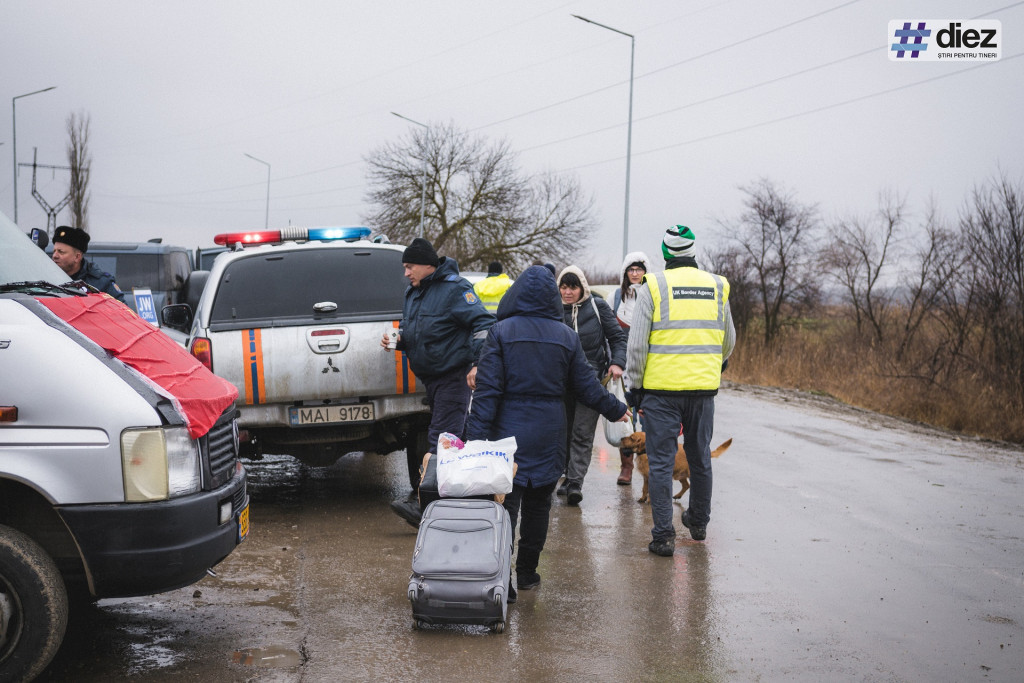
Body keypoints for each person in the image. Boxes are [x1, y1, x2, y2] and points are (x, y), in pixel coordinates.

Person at [465, 265, 629, 600]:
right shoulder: (565, 336)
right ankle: (527, 573)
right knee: (539, 506)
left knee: (505, 508)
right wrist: (616, 408)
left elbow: (487, 392)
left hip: (507, 433)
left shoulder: (501, 331)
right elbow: (586, 386)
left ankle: (502, 583)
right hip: (549, 431)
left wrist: (473, 441)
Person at [625, 225, 735, 556]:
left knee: (659, 463)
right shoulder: (717, 286)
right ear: (692, 252)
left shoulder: (654, 286)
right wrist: (717, 367)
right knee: (700, 456)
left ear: (665, 254)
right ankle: (698, 522)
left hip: (660, 391)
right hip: (703, 390)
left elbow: (637, 345)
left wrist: (634, 387)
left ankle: (663, 537)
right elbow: (728, 340)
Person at [381, 237, 495, 528]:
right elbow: (415, 331)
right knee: (459, 438)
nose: (406, 273)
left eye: (410, 267)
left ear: (428, 265)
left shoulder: (456, 290)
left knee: (441, 441)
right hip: (431, 379)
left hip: (453, 376)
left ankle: (424, 505)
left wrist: (478, 364)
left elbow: (484, 324)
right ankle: (472, 496)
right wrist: (399, 341)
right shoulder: (413, 292)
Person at [555, 265, 627, 506]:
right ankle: (565, 475)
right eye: (563, 287)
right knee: (562, 431)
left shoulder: (598, 307)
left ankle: (575, 482)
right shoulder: (552, 310)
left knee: (582, 433)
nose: (567, 292)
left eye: (572, 287)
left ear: (582, 288)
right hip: (559, 382)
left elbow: (617, 337)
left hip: (591, 380)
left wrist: (617, 362)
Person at [611, 250, 652, 485]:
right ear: (625, 273)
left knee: (648, 419)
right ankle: (626, 467)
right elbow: (609, 333)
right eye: (631, 269)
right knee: (625, 419)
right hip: (623, 368)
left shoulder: (653, 295)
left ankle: (651, 469)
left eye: (639, 269)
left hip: (648, 368)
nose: (635, 273)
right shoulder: (616, 298)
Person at [51, 226, 126, 301]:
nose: (55, 256)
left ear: (77, 257)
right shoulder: (47, 279)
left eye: (61, 252)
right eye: (54, 251)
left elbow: (122, 310)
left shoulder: (102, 284)